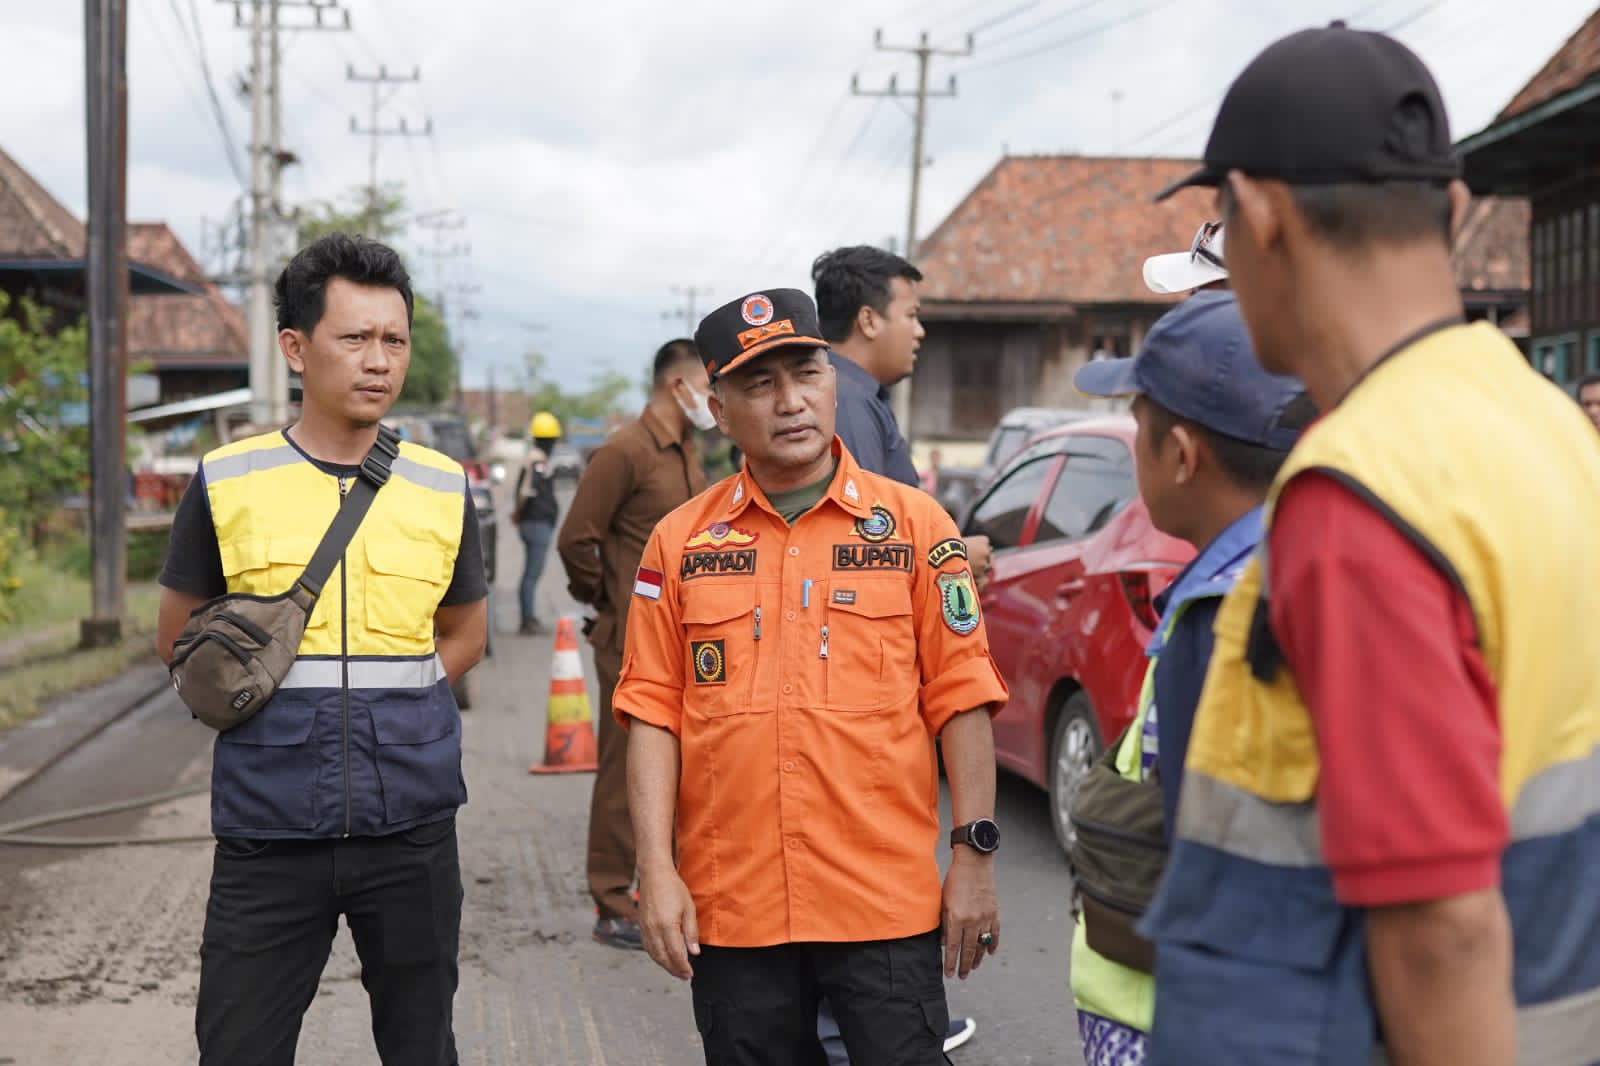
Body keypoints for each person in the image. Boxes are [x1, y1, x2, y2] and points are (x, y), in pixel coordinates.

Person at [1140, 21, 1600, 1066]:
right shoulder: (1549, 429)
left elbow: (1438, 925)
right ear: (1448, 209)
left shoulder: (1359, 489)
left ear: (1257, 216)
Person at [617, 288, 1009, 1066]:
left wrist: (973, 857)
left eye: (806, 374)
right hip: (734, 909)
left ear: (834, 382)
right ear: (720, 411)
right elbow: (653, 713)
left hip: (884, 908)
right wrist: (656, 872)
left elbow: (962, 696)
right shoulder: (679, 543)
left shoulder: (916, 527)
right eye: (760, 385)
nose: (790, 401)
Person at [154, 233, 487, 1066]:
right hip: (268, 831)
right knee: (237, 1048)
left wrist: (396, 709)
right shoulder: (228, 481)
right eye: (355, 338)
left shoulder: (444, 486)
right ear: (296, 348)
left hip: (410, 828)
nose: (379, 361)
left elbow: (466, 633)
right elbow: (178, 639)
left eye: (394, 341)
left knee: (422, 1046)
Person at [1067, 292, 1308, 1065]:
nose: (1133, 445)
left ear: (1181, 455)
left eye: (1138, 425)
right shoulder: (1292, 564)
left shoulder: (1233, 606)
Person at [812, 245, 991, 1054]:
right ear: (869, 317)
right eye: (913, 314)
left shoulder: (864, 399)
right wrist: (948, 557)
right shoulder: (843, 406)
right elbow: (859, 552)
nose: (920, 331)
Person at [556, 339, 711, 950]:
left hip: (682, 640)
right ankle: (613, 900)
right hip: (629, 641)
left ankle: (660, 881)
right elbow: (576, 540)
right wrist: (608, 601)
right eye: (708, 384)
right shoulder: (624, 451)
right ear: (677, 387)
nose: (714, 398)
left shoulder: (687, 451)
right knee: (626, 774)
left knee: (676, 768)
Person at [513, 411, 562, 635]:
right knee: (532, 573)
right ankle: (527, 619)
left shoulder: (534, 458)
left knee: (531, 573)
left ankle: (528, 616)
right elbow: (527, 491)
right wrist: (519, 512)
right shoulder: (537, 461)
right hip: (536, 523)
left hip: (534, 523)